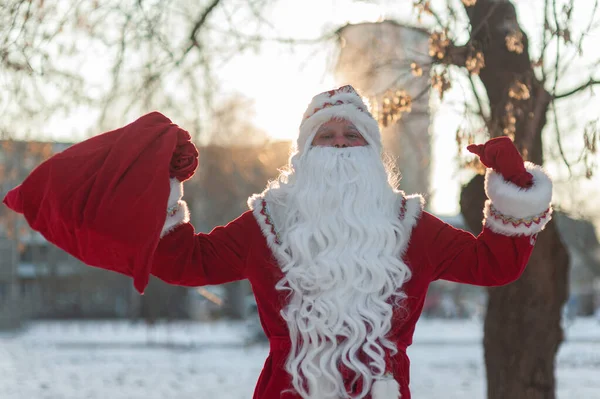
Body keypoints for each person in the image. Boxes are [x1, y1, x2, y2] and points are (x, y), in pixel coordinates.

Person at [151, 85, 553, 399]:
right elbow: (187, 262)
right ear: (304, 152)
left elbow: (492, 264)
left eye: (352, 134)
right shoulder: (268, 224)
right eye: (325, 135)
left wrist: (515, 189)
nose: (340, 142)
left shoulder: (413, 228)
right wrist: (158, 182)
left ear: (373, 152)